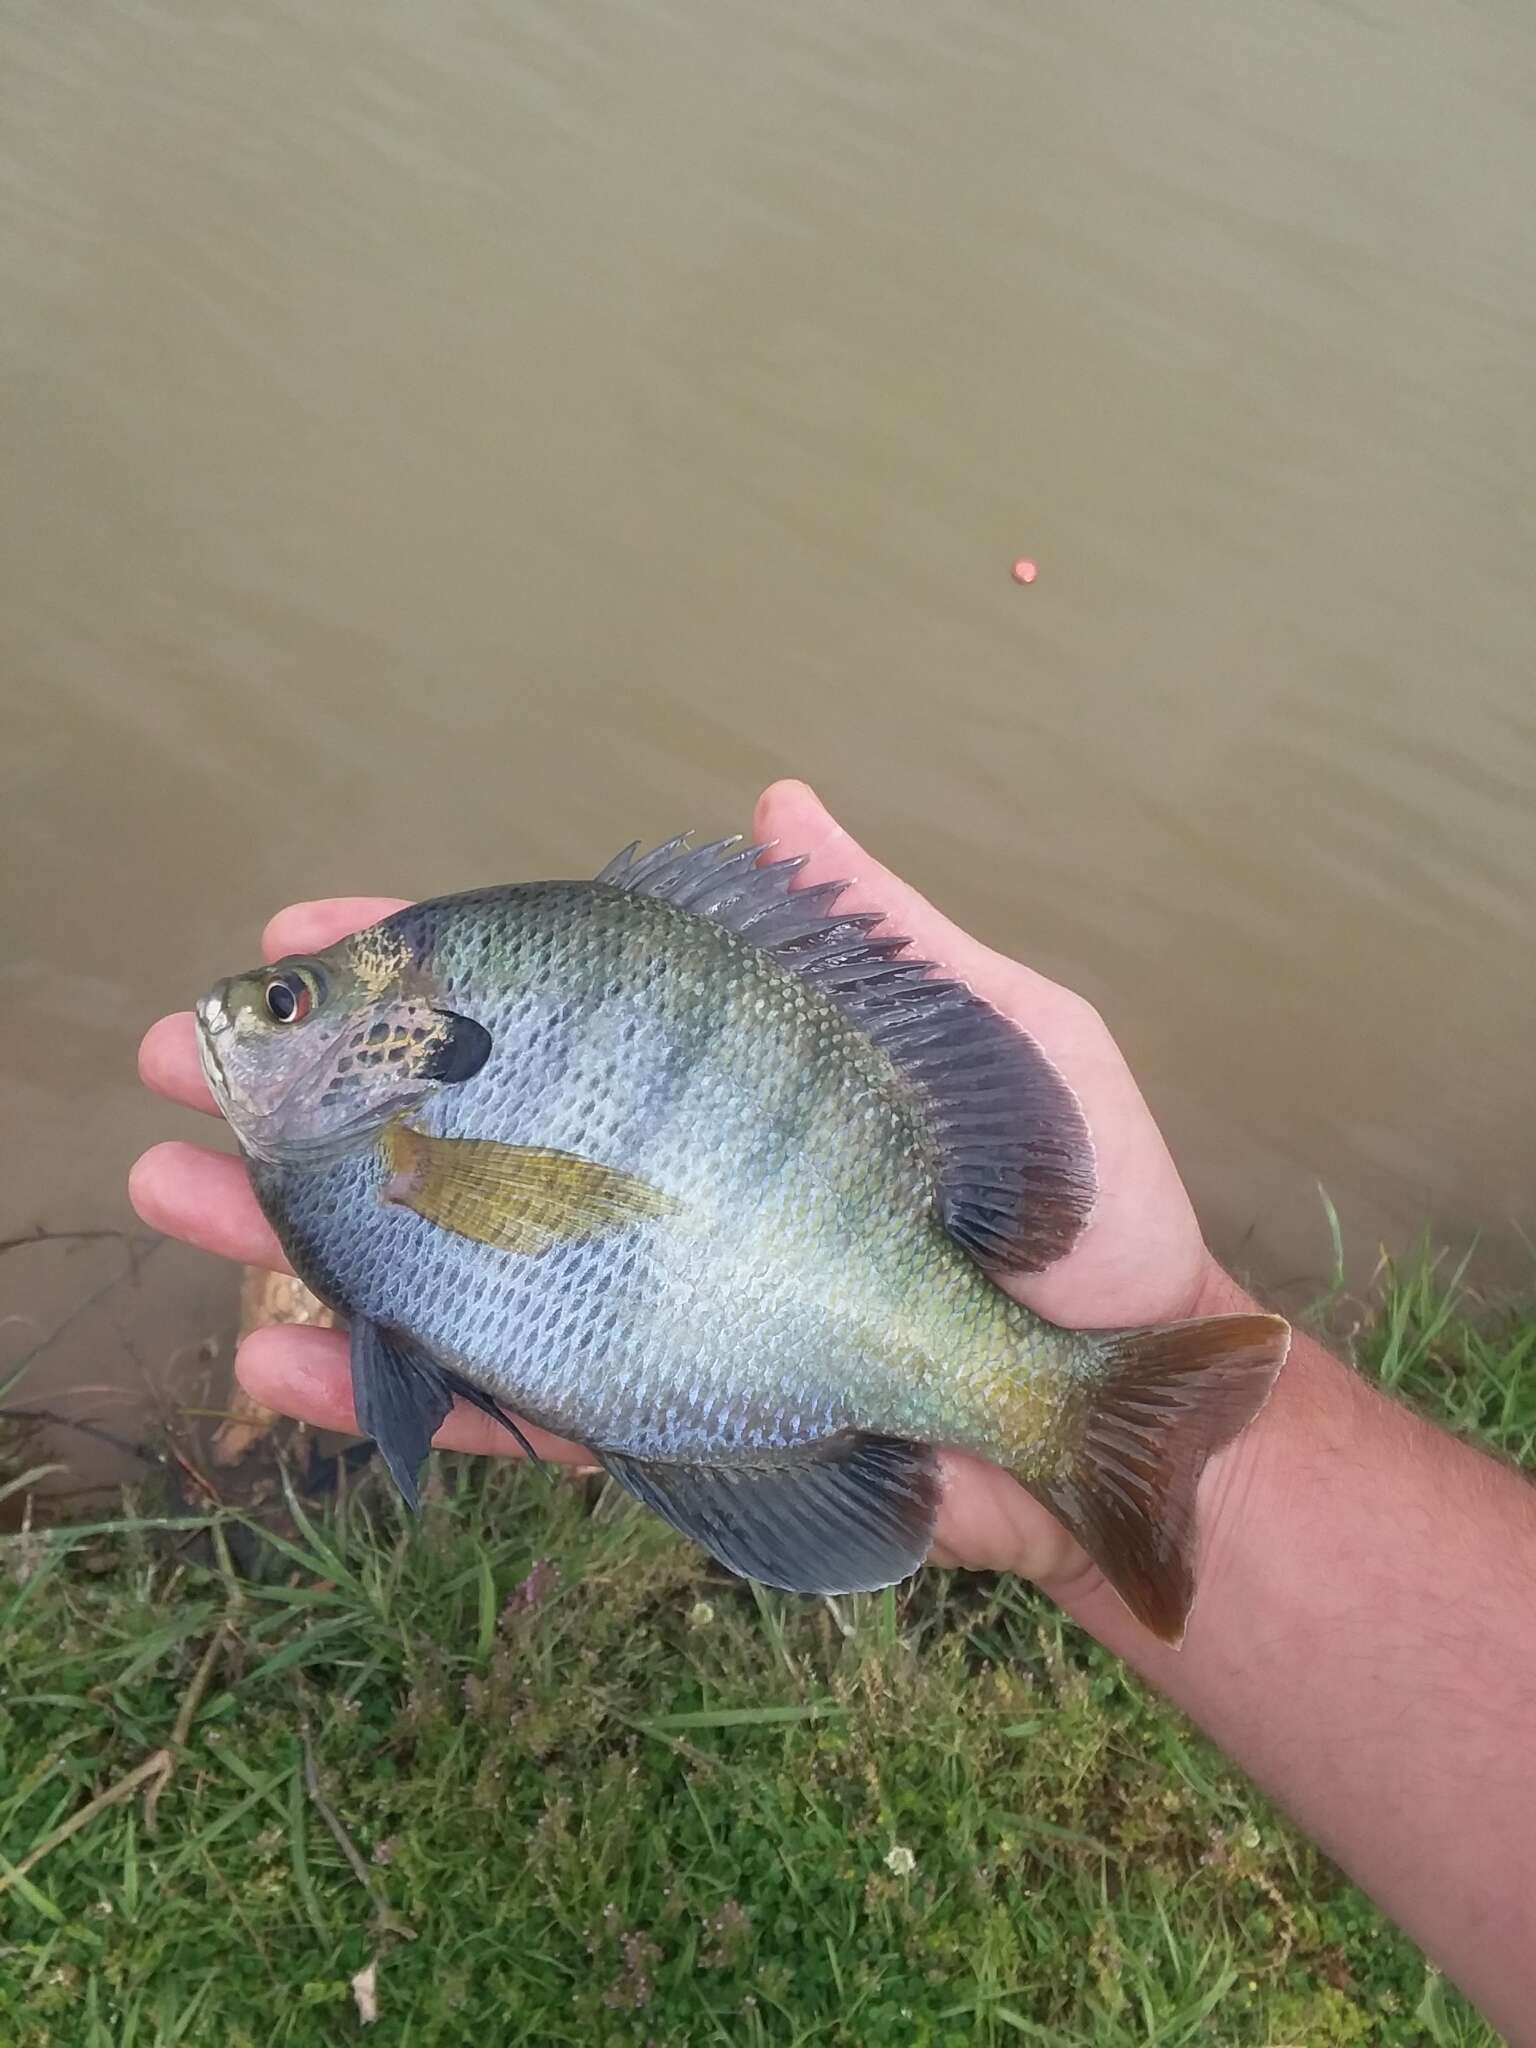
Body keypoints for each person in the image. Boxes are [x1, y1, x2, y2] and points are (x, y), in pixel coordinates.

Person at [130, 779, 1536, 2043]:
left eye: (289, 1004)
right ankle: (1110, 1445)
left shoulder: (399, 1133)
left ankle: (1081, 1418)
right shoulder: (374, 1144)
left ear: (404, 1030)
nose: (240, 1021)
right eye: (278, 1004)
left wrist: (1191, 1455)